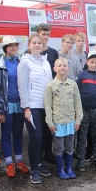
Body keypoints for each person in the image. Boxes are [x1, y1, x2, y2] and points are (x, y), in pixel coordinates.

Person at [0, 36, 29, 178]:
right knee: (6, 135)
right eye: (10, 45)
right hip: (6, 106)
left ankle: (19, 161)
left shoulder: (22, 62)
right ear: (5, 48)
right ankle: (9, 164)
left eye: (15, 45)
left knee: (18, 133)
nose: (13, 48)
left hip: (20, 104)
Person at [18, 34, 53, 184]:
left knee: (45, 137)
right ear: (29, 44)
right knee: (36, 137)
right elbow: (22, 87)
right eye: (34, 43)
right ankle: (34, 170)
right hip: (32, 106)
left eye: (39, 43)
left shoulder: (45, 62)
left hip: (46, 105)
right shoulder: (24, 63)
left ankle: (39, 164)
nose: (37, 45)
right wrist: (26, 107)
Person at [44, 57, 83, 180]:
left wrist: (78, 120)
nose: (62, 67)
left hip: (71, 122)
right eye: (59, 65)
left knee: (70, 146)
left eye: (64, 65)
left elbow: (78, 103)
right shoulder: (50, 85)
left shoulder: (73, 84)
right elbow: (48, 105)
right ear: (54, 69)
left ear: (68, 68)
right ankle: (60, 169)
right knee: (58, 147)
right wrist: (50, 122)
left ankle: (69, 168)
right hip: (58, 122)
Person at [75, 50, 96, 171]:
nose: (94, 64)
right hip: (83, 110)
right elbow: (76, 91)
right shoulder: (82, 75)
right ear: (87, 62)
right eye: (92, 62)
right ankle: (80, 159)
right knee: (82, 136)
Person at [37, 23, 59, 165]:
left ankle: (48, 153)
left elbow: (57, 72)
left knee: (49, 125)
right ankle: (38, 156)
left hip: (52, 94)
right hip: (37, 95)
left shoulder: (53, 53)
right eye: (43, 34)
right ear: (38, 33)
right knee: (39, 129)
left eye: (48, 34)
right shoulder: (31, 51)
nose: (46, 37)